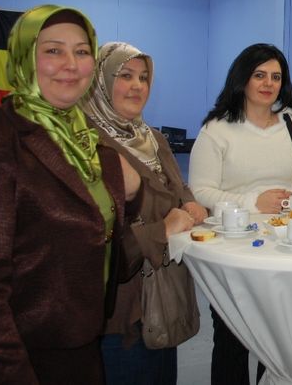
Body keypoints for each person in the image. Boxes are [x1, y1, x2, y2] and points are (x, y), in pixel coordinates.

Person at [0, 5, 140, 384]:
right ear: (24, 58)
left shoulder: (85, 137)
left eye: (82, 51)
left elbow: (96, 226)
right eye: (53, 50)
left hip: (83, 338)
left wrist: (130, 192)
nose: (71, 64)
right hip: (26, 353)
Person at [189, 43, 292, 385]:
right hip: (232, 252)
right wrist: (254, 202)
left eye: (276, 77)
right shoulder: (216, 129)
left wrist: (291, 198)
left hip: (284, 249)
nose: (268, 84)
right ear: (242, 79)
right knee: (232, 341)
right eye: (259, 75)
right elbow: (201, 191)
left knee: (279, 343)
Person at [81, 42, 208, 385]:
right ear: (101, 82)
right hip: (122, 313)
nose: (138, 86)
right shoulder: (87, 146)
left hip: (164, 298)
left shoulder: (153, 138)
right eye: (125, 76)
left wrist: (190, 202)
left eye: (144, 77)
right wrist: (162, 230)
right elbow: (92, 241)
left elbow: (177, 185)